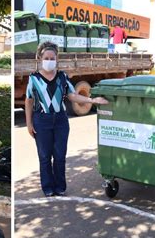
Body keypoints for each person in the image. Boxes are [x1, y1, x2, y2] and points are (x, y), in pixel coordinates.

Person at [25, 41, 109, 197]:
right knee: (44, 156)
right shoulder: (33, 78)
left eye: (52, 58)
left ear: (57, 59)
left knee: (59, 155)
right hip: (41, 121)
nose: (49, 61)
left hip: (60, 121)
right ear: (40, 58)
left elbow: (73, 96)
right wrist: (29, 123)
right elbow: (29, 101)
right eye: (47, 58)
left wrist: (92, 101)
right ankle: (48, 188)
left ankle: (60, 187)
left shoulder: (62, 77)